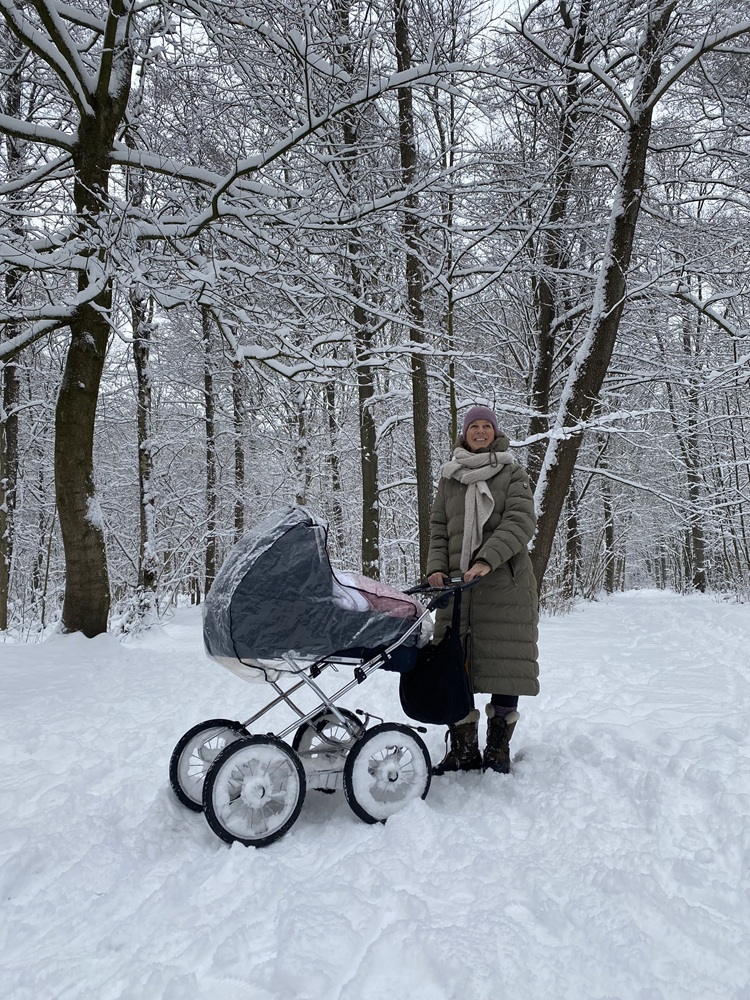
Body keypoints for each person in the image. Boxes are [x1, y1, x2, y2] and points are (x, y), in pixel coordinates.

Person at [426, 405, 539, 774]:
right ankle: (463, 750)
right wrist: (436, 568)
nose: (479, 431)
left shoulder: (512, 472)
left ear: (495, 432)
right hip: (458, 587)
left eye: (485, 426)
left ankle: (497, 749)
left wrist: (486, 560)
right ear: (464, 433)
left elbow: (521, 521)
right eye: (473, 426)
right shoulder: (450, 478)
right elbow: (439, 528)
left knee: (504, 665)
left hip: (504, 585)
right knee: (453, 666)